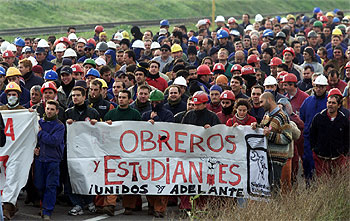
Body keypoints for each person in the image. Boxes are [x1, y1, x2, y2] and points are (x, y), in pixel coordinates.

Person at [65, 86, 100, 216]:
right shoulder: (68, 112)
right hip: (72, 152)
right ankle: (77, 203)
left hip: (88, 152)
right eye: (73, 95)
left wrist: (97, 125)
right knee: (71, 178)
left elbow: (100, 132)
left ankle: (89, 201)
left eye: (78, 95)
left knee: (88, 177)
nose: (75, 97)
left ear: (84, 97)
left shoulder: (93, 112)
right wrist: (66, 124)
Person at [141, 89, 173, 218]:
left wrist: (157, 120)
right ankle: (151, 204)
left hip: (163, 153)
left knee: (162, 181)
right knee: (149, 181)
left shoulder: (168, 114)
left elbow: (170, 130)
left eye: (157, 102)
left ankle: (160, 208)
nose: (154, 104)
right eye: (152, 102)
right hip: (148, 153)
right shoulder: (145, 115)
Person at [252, 92, 292, 192]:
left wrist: (270, 135)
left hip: (277, 158)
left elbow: (287, 137)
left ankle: (276, 207)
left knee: (274, 187)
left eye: (262, 102)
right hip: (267, 157)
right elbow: (264, 129)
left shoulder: (282, 116)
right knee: (267, 187)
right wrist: (256, 126)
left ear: (269, 100)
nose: (260, 105)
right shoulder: (266, 115)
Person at [34, 100, 65, 220]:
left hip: (53, 160)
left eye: (52, 109)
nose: (49, 111)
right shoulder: (39, 122)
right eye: (48, 108)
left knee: (50, 186)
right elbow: (31, 139)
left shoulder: (60, 126)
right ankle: (43, 206)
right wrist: (34, 148)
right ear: (45, 109)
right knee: (39, 184)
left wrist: (41, 134)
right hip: (40, 159)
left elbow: (54, 141)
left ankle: (47, 211)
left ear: (57, 111)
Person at [310, 91, 349, 176]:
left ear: (339, 105)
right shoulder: (318, 118)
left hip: (338, 158)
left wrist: (343, 152)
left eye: (333, 103)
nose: (330, 105)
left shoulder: (343, 120)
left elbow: (347, 138)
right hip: (321, 158)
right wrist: (314, 149)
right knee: (322, 183)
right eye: (329, 102)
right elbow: (312, 135)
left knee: (337, 182)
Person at [299, 75, 328, 181]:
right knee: (307, 164)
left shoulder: (329, 102)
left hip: (323, 139)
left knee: (322, 166)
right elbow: (302, 117)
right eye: (317, 86)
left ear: (326, 87)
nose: (319, 89)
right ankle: (309, 187)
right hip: (308, 139)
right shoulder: (308, 101)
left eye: (321, 87)